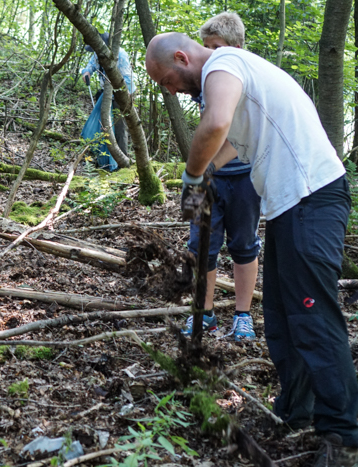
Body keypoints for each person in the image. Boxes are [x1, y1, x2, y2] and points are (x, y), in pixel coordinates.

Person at [145, 31, 358, 465]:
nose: (168, 90)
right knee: (281, 315)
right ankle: (298, 412)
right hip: (288, 204)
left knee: (312, 315)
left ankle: (346, 435)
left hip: (312, 196)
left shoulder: (223, 64)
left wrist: (191, 173)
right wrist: (205, 177)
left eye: (166, 80)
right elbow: (228, 143)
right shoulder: (234, 73)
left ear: (183, 58)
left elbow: (216, 123)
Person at [181, 12, 261, 342]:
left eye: (217, 47)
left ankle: (243, 316)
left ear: (236, 47)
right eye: (206, 47)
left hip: (244, 178)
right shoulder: (205, 79)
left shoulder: (245, 76)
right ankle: (204, 313)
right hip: (205, 180)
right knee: (201, 247)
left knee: (244, 246)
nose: (211, 54)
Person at [80, 31, 136, 157]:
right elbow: (90, 66)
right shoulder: (97, 54)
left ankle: (122, 160)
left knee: (119, 125)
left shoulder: (119, 55)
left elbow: (127, 78)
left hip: (121, 93)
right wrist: (86, 72)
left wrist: (123, 96)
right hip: (105, 92)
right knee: (104, 123)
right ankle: (103, 157)